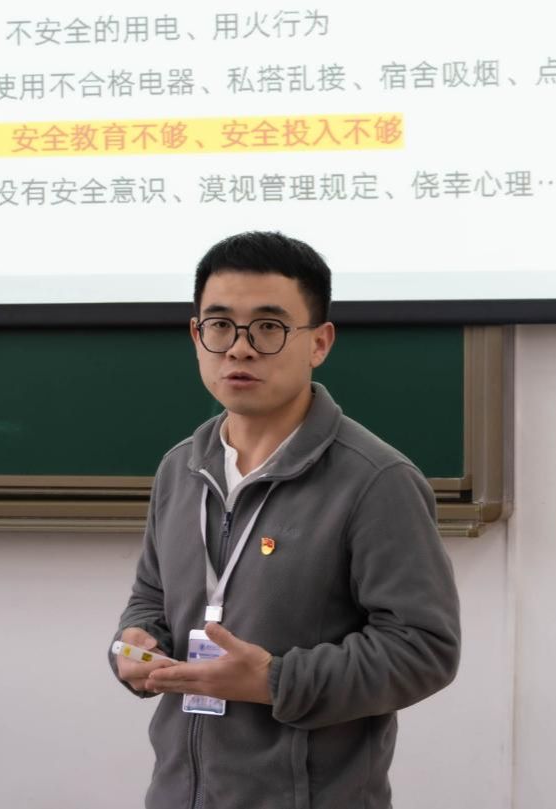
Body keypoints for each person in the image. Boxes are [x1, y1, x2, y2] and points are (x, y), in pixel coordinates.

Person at [110, 231, 461, 809]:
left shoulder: (376, 480)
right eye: (219, 325)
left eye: (268, 328)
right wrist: (135, 642)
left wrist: (275, 681)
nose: (239, 349)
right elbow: (151, 596)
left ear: (319, 342)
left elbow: (424, 649)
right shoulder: (181, 468)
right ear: (197, 336)